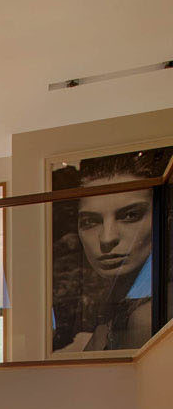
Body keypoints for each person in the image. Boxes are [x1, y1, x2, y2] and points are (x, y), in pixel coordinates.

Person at [53, 149, 168, 354]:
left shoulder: (145, 317)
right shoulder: (116, 306)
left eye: (130, 215)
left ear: (162, 217)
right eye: (90, 222)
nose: (107, 238)